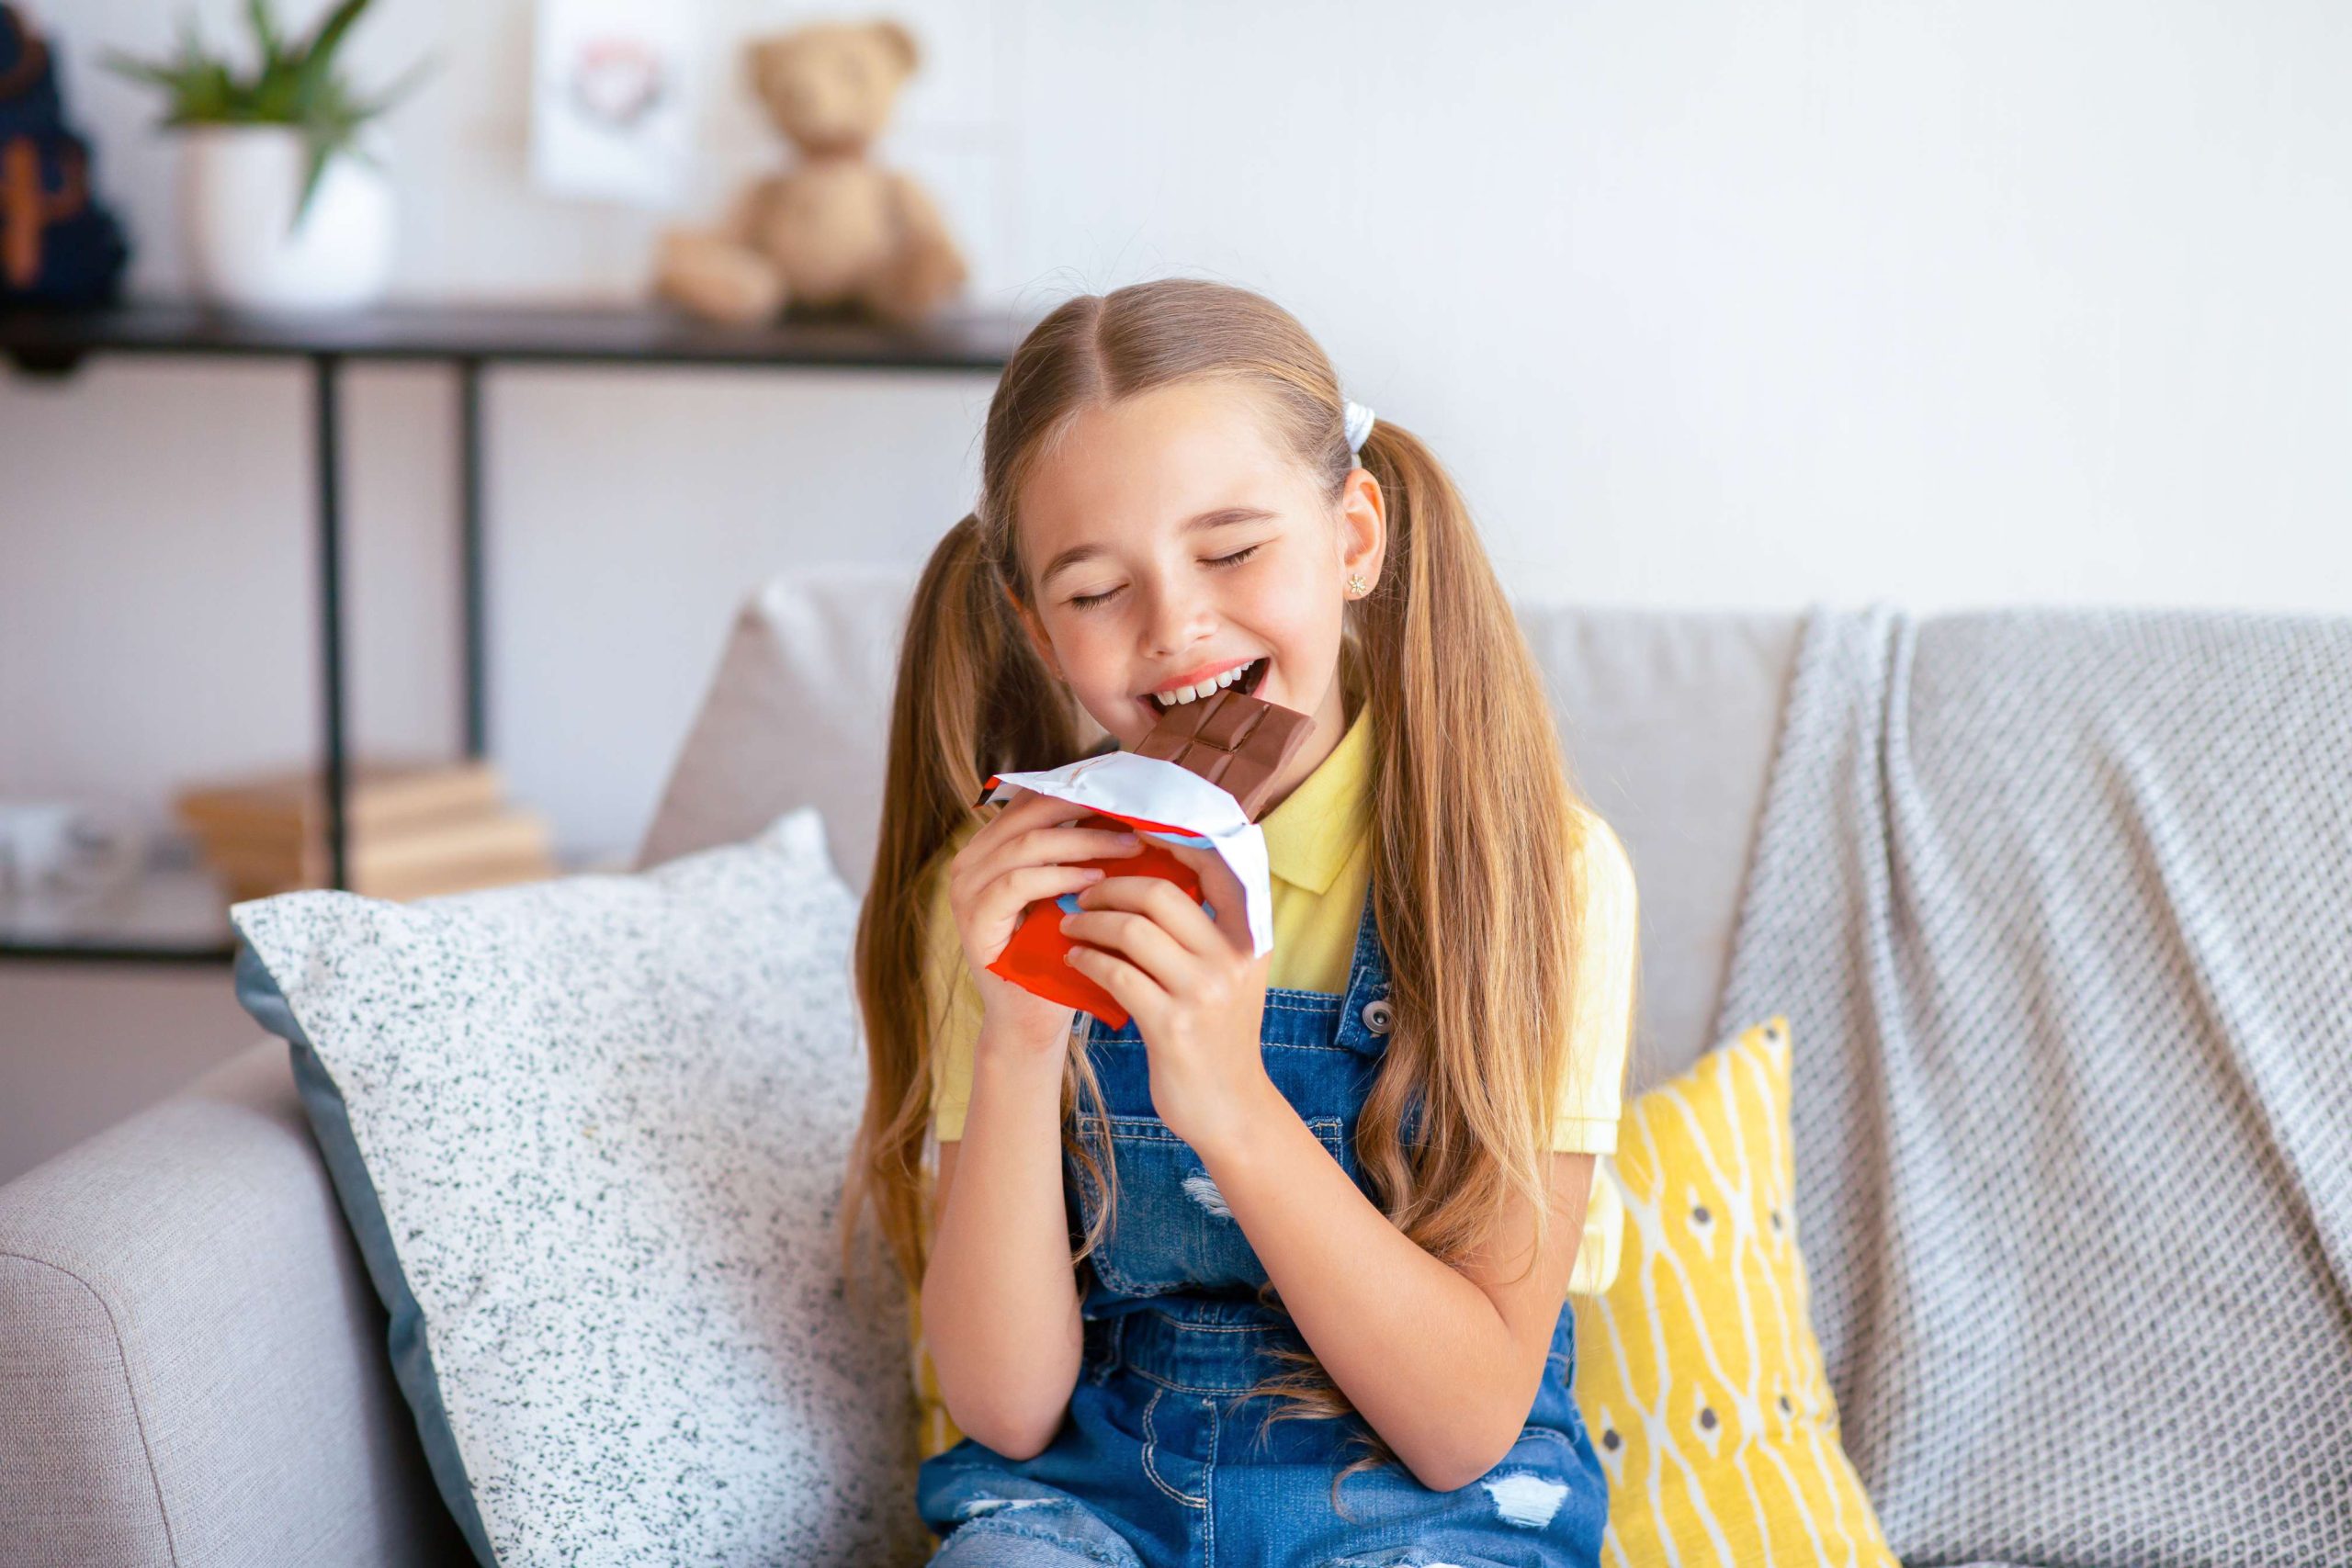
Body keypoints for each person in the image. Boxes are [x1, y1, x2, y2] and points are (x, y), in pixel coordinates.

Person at [843, 276, 1640, 1567]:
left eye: (1230, 553)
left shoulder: (1535, 879)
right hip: (1096, 1499)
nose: (1177, 627)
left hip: (1428, 1510)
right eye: (1095, 590)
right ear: (1039, 633)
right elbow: (1005, 1408)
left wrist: (1227, 1100)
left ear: (1354, 538)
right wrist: (1020, 1042)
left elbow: (1463, 1426)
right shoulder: (1002, 896)